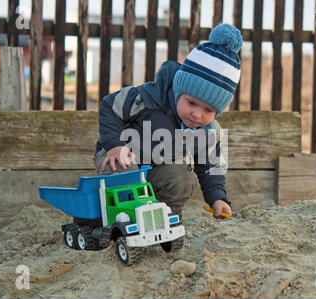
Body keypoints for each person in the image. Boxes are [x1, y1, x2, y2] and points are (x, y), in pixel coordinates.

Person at [93, 23, 242, 220]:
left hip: (158, 168)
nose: (197, 115)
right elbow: (110, 106)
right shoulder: (148, 99)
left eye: (209, 110)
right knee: (123, 169)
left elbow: (211, 167)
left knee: (181, 177)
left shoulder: (207, 132)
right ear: (179, 90)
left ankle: (165, 218)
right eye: (191, 103)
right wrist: (113, 145)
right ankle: (121, 219)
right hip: (120, 154)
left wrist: (217, 199)